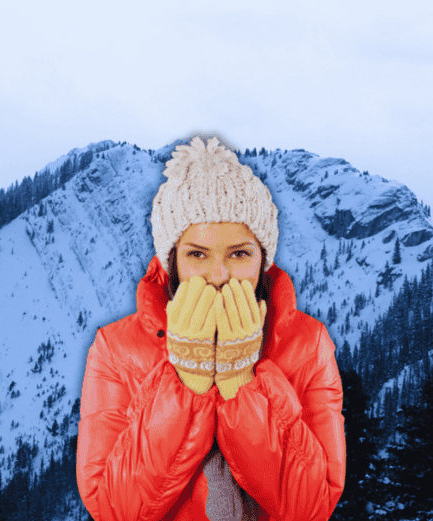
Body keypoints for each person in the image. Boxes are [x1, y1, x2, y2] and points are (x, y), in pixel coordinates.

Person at [77, 136, 345, 521]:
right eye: (197, 254)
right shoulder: (116, 349)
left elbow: (311, 507)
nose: (219, 275)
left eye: (239, 253)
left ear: (263, 259)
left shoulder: (307, 343)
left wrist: (240, 382)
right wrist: (187, 381)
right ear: (172, 261)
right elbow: (113, 509)